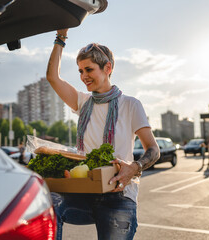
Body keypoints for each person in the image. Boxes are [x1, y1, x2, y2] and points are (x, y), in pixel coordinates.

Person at [46, 29, 160, 240]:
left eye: (88, 69)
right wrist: (60, 38)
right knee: (47, 203)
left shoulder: (130, 105)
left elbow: (153, 150)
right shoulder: (82, 103)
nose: (83, 77)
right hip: (86, 191)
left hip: (118, 195)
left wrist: (133, 168)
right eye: (80, 71)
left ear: (107, 68)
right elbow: (52, 77)